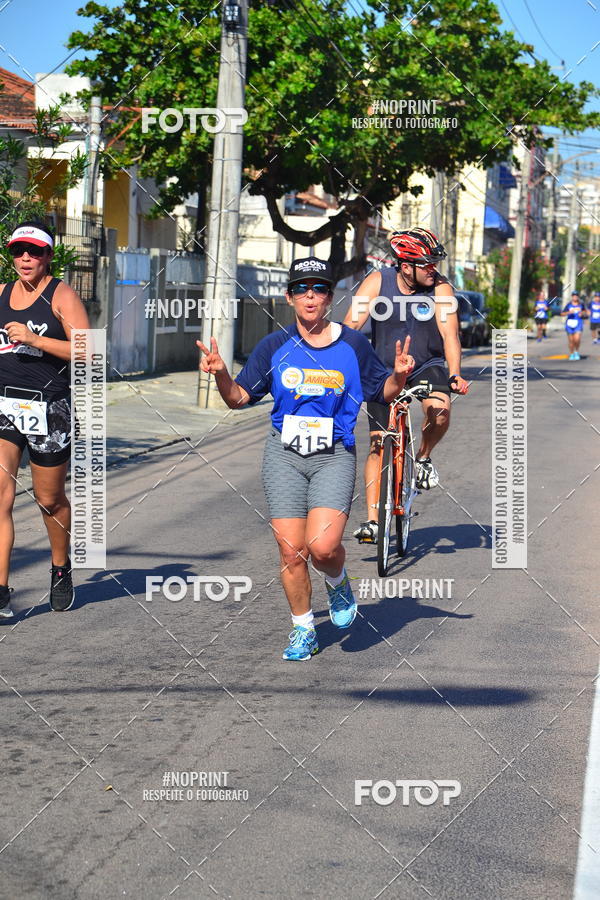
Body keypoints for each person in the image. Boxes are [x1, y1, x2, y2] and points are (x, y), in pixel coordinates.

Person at [196, 256, 415, 661]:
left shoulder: (353, 345)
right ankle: (304, 629)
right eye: (301, 289)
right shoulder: (275, 346)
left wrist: (398, 377)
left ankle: (338, 581)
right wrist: (222, 374)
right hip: (284, 454)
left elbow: (380, 391)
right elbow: (239, 398)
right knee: (291, 551)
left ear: (330, 297)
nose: (309, 296)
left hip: (333, 455)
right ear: (289, 297)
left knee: (324, 547)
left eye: (318, 289)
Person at [342, 227, 468, 544]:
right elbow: (351, 325)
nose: (433, 269)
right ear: (405, 265)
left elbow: (450, 336)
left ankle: (423, 457)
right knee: (377, 442)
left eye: (435, 263)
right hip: (384, 369)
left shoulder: (441, 290)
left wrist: (454, 373)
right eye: (426, 264)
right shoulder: (377, 281)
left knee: (439, 411)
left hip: (427, 364)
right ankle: (373, 520)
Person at [0, 221, 90, 619]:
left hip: (49, 408)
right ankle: (0, 590)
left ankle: (60, 568)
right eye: (19, 250)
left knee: (48, 500)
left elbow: (88, 351)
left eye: (33, 252)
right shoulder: (1, 293)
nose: (25, 258)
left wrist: (34, 339)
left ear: (48, 256)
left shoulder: (61, 295)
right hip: (4, 404)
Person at [561, 291, 587, 360]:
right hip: (569, 323)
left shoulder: (581, 304)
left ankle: (576, 352)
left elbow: (585, 312)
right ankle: (572, 353)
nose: (575, 297)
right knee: (571, 340)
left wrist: (582, 313)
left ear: (578, 297)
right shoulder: (568, 305)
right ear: (572, 297)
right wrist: (569, 312)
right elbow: (562, 313)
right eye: (574, 296)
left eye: (576, 295)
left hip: (578, 323)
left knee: (577, 339)